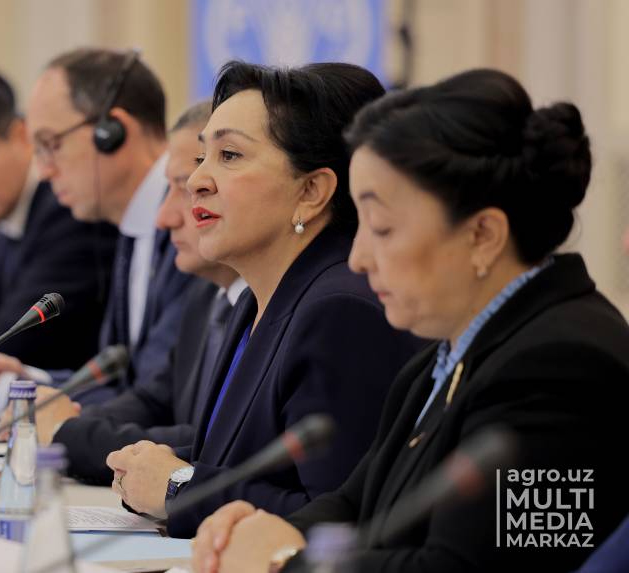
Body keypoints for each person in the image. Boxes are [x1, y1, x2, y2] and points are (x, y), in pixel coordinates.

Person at [190, 69, 629, 573]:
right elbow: (355, 504)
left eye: (382, 228)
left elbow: (468, 568)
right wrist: (260, 529)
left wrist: (288, 559)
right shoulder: (441, 360)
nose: (358, 259)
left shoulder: (562, 369)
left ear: (483, 235)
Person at [106, 62, 424, 539]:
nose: (197, 181)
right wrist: (157, 468)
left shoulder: (340, 312)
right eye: (202, 157)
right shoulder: (256, 302)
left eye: (230, 155)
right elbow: (245, 465)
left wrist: (178, 487)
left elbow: (337, 520)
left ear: (312, 191)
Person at [0, 48, 197, 406]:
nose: (44, 171)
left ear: (112, 133)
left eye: (52, 145)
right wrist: (23, 381)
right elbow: (123, 382)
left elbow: (158, 403)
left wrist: (4, 392)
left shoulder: (187, 226)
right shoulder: (130, 228)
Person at [33, 101, 244, 484]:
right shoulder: (206, 297)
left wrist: (67, 434)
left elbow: (216, 444)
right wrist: (58, 419)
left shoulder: (289, 307)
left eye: (187, 189)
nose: (163, 218)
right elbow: (153, 398)